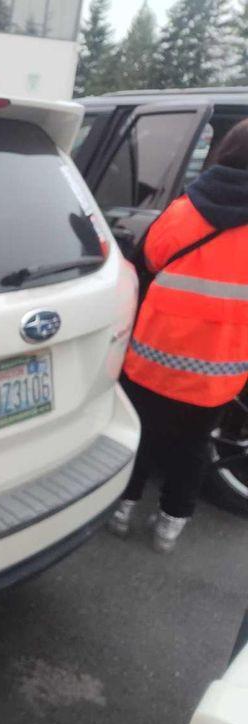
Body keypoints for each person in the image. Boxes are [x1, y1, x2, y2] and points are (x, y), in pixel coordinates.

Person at [110, 118, 248, 552]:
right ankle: (170, 526)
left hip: (152, 354)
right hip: (217, 367)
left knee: (140, 433)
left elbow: (147, 257)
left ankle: (121, 509)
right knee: (192, 445)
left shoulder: (184, 210)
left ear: (224, 153)